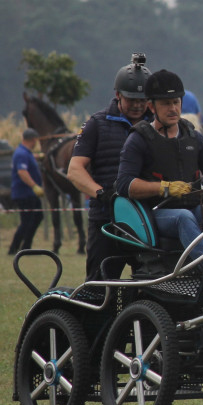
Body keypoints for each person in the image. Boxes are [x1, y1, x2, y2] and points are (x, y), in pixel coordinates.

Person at [115, 69, 203, 261]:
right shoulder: (138, 139)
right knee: (183, 216)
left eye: (176, 102)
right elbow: (124, 185)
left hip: (194, 209)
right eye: (166, 103)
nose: (173, 108)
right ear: (151, 106)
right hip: (154, 213)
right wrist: (164, 188)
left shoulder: (195, 138)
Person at [67, 53, 153, 279]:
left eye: (142, 100)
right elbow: (75, 170)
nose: (137, 105)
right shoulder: (96, 123)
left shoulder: (157, 125)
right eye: (131, 99)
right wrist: (101, 194)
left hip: (147, 220)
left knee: (149, 286)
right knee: (100, 283)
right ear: (117, 95)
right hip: (106, 220)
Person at [7, 128, 45, 255]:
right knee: (26, 222)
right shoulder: (21, 154)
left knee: (38, 217)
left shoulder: (25, 152)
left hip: (30, 194)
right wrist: (34, 186)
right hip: (24, 194)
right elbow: (22, 172)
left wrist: (38, 157)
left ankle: (26, 246)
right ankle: (14, 249)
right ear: (33, 140)